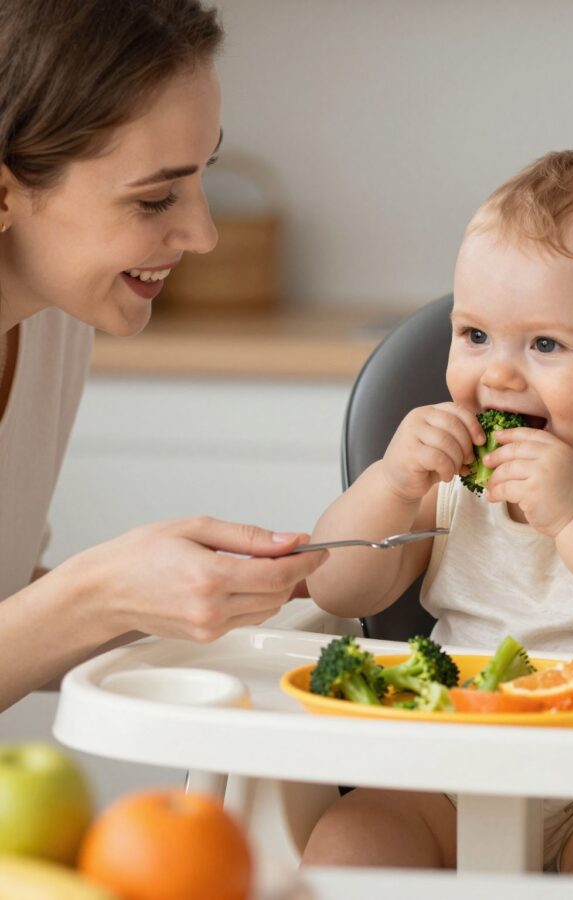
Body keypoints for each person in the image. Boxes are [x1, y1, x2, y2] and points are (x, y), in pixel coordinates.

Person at [303, 150, 573, 874]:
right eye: (475, 335)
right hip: (454, 768)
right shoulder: (449, 480)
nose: (499, 373)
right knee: (351, 842)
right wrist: (391, 483)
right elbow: (336, 586)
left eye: (546, 344)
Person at [0, 0, 327, 713]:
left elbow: (14, 608)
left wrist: (233, 597)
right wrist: (99, 594)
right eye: (155, 199)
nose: (204, 235)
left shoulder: (57, 321)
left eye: (204, 174)